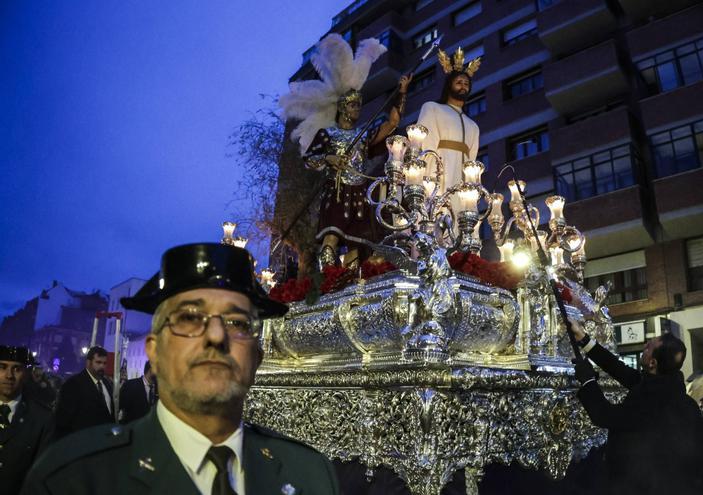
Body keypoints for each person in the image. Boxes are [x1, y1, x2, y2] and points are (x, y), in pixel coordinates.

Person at [22, 243, 339, 494]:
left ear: (257, 356)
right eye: (189, 318)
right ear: (154, 352)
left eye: (237, 322)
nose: (216, 336)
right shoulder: (75, 477)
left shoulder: (309, 475)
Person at [281, 33, 410, 270]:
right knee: (330, 241)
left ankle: (348, 283)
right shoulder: (327, 134)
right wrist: (328, 157)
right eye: (353, 104)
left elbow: (391, 124)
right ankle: (329, 279)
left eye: (359, 104)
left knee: (357, 245)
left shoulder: (363, 134)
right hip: (337, 192)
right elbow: (309, 160)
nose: (357, 108)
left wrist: (401, 93)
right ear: (342, 107)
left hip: (360, 194)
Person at [572, 328, 703, 494]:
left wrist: (587, 380)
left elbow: (606, 415)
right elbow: (620, 370)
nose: (645, 346)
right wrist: (584, 340)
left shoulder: (651, 401)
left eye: (648, 347)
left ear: (653, 363)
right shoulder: (673, 393)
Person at [417, 47, 481, 194]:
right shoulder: (432, 108)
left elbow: (472, 161)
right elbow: (426, 147)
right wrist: (429, 182)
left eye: (466, 84)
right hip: (439, 176)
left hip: (464, 185)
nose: (463, 86)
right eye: (459, 82)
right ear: (449, 85)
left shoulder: (473, 126)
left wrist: (472, 187)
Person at [0, 345, 53, 494]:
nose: (9, 375)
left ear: (25, 373)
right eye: (2, 367)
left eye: (16, 369)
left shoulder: (42, 419)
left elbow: (42, 475)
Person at [53, 345, 115, 440]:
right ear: (88, 363)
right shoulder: (73, 384)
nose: (102, 366)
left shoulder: (106, 384)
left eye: (104, 363)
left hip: (104, 443)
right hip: (81, 443)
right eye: (98, 362)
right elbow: (63, 420)